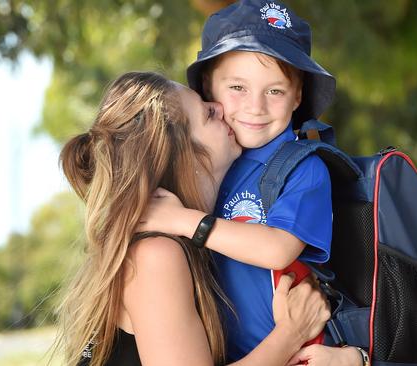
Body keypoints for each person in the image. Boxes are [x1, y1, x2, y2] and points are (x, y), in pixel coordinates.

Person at [138, 1, 365, 365]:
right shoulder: (209, 162)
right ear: (209, 87)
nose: (255, 107)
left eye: (274, 91)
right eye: (238, 87)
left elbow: (277, 249)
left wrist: (183, 220)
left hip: (299, 353)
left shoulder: (302, 168)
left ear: (298, 96)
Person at [52, 71, 331, 366]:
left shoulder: (180, 242)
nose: (221, 108)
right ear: (185, 154)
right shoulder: (155, 255)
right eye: (208, 114)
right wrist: (291, 333)